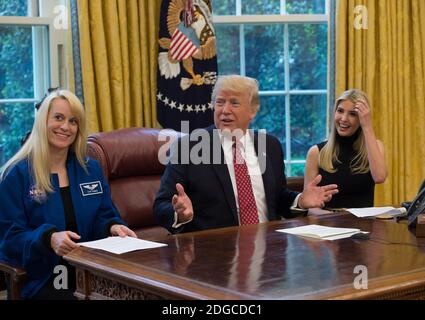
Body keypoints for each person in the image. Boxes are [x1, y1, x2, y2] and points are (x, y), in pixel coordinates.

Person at [154, 75, 338, 233]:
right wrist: (178, 213)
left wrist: (301, 201)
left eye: (234, 103)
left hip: (269, 248)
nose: (225, 110)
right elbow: (161, 204)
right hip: (214, 252)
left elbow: (279, 199)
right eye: (219, 102)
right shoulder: (189, 147)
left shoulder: (269, 145)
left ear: (253, 111)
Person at [0, 89, 136, 300]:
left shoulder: (90, 169)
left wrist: (112, 227)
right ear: (43, 122)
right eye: (58, 118)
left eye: (73, 121)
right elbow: (9, 238)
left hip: (92, 271)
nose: (66, 127)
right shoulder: (17, 174)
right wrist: (49, 238)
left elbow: (104, 214)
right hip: (45, 276)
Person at [304, 89, 387, 208]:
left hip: (364, 224)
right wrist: (331, 219)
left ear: (361, 118)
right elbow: (309, 206)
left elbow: (379, 177)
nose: (343, 118)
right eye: (340, 111)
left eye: (353, 114)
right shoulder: (316, 152)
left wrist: (367, 126)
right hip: (327, 223)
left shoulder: (376, 146)